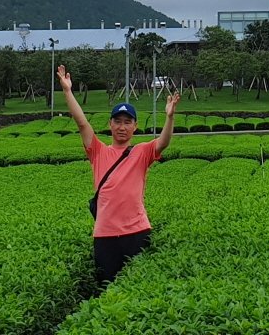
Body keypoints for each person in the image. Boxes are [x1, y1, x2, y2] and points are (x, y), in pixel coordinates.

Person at [58, 64, 180, 284]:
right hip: (105, 236)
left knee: (140, 289)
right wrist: (67, 91)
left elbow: (163, 142)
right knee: (107, 288)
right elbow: (82, 123)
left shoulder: (142, 151)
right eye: (118, 121)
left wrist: (169, 117)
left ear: (135, 127)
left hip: (137, 232)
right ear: (110, 124)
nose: (122, 127)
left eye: (127, 122)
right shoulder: (98, 152)